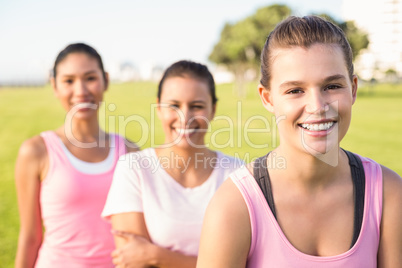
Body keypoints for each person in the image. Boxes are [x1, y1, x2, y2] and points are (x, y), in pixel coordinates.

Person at [197, 16, 402, 268]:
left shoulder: (388, 193)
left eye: (332, 85)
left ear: (354, 89)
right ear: (268, 98)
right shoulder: (234, 206)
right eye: (295, 90)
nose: (317, 106)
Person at [102, 60, 243, 268]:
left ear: (213, 109)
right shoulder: (134, 169)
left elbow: (245, 262)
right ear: (159, 108)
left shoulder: (238, 174)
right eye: (174, 105)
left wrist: (157, 257)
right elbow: (131, 262)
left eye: (197, 106)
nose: (184, 117)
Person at [15, 43, 138, 267]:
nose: (81, 91)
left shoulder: (129, 150)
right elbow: (30, 237)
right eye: (69, 81)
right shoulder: (36, 151)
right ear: (54, 86)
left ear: (106, 80)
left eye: (90, 78)